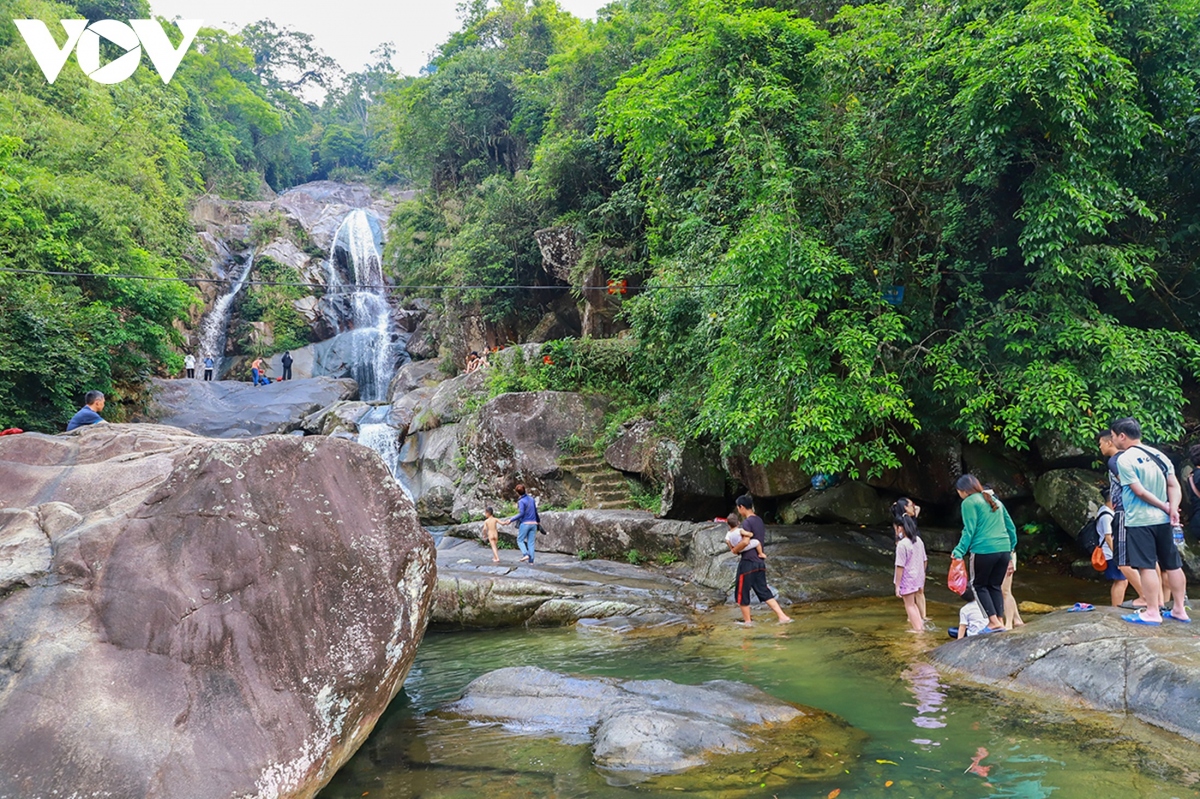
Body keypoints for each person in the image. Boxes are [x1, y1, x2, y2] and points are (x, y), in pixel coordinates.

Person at [1110, 417, 1190, 624]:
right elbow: (1173, 485)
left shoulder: (1124, 459)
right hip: (1164, 520)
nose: (1112, 441)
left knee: (1146, 566)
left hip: (1140, 520)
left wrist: (1164, 506)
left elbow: (1138, 491)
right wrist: (1172, 508)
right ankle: (1180, 609)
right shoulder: (1159, 455)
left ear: (1122, 436)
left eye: (1112, 436)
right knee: (1173, 565)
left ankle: (1153, 611)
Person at [951, 474, 1016, 633]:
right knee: (994, 585)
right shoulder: (995, 501)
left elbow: (969, 529)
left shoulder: (969, 502)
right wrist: (1011, 548)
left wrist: (959, 551)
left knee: (978, 585)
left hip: (984, 550)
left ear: (964, 491)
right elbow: (1011, 528)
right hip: (1004, 549)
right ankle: (999, 621)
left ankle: (993, 622)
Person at [1099, 430, 1149, 608]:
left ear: (1110, 442)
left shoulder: (1116, 460)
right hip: (1142, 512)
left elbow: (1128, 484)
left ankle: (1145, 596)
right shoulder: (1138, 457)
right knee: (1149, 559)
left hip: (1126, 511)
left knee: (1123, 560)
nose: (1100, 447)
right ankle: (1156, 599)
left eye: (1102, 443)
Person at [729, 495, 793, 625]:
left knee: (742, 593)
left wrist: (735, 550)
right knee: (763, 591)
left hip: (748, 563)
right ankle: (783, 617)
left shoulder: (747, 522)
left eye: (738, 507)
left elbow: (746, 541)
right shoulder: (758, 520)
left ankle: (748, 622)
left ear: (741, 507)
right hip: (759, 563)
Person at [893, 515, 928, 633]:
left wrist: (897, 585)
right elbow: (924, 560)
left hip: (907, 578)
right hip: (918, 576)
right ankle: (920, 626)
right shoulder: (919, 540)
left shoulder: (902, 544)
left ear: (901, 528)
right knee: (913, 604)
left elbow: (900, 566)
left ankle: (918, 631)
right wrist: (922, 575)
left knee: (909, 605)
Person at [1096, 489, 1130, 607]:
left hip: (1111, 552)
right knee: (1121, 581)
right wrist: (1117, 554)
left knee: (1122, 581)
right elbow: (1108, 537)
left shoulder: (1105, 511)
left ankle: (1117, 605)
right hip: (1110, 553)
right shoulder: (1106, 515)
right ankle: (1116, 607)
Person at [507, 484, 539, 565]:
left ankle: (525, 554)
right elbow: (535, 511)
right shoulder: (531, 499)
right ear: (525, 490)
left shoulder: (521, 501)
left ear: (517, 493)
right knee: (531, 543)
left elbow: (521, 514)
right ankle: (531, 562)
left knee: (520, 540)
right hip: (533, 523)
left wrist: (511, 519)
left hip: (525, 523)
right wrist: (538, 521)